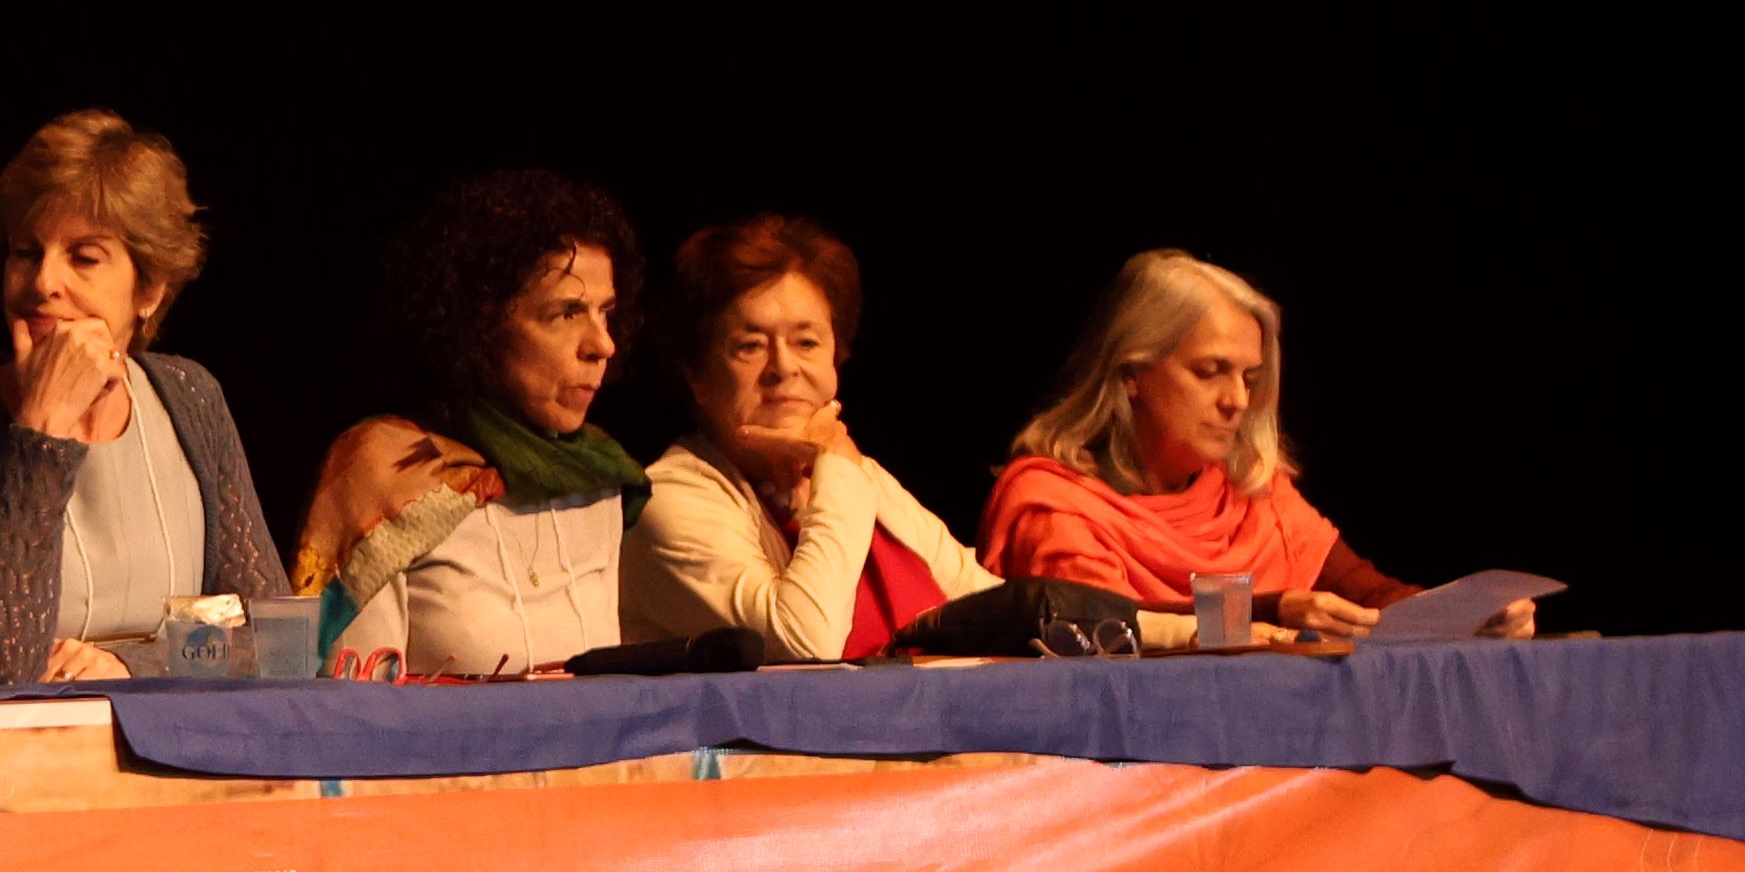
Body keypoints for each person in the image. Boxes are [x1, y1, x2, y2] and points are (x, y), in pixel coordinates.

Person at [0, 108, 292, 684]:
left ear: (149, 287)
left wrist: (129, 666)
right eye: (26, 252)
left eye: (84, 257)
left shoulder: (190, 397)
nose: (44, 281)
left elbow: (276, 641)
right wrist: (42, 431)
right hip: (27, 756)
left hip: (188, 741)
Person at [979, 247, 1531, 636]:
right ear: (1132, 375)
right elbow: (1115, 633)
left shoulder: (1251, 490)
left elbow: (1369, 596)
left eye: (1248, 377)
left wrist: (1470, 618)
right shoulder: (1054, 504)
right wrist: (1274, 611)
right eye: (1211, 370)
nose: (1238, 401)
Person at [300, 172, 654, 677]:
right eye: (566, 314)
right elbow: (350, 711)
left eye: (605, 313)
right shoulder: (391, 473)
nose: (603, 344)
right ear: (480, 325)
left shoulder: (599, 477)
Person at [617, 213, 998, 662]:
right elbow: (802, 643)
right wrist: (835, 462)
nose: (784, 367)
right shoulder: (669, 498)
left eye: (807, 343)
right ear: (695, 374)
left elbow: (985, 606)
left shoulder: (860, 477)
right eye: (750, 346)